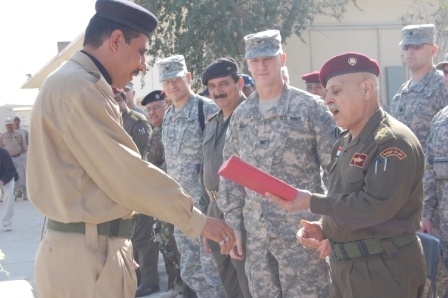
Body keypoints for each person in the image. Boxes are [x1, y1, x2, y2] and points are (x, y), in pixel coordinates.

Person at [26, 1, 235, 298]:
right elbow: (128, 175)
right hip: (86, 257)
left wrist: (114, 242)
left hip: (89, 250)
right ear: (115, 41)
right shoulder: (80, 89)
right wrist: (198, 221)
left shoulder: (73, 83)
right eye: (141, 51)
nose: (143, 65)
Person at [267, 52, 427, 298]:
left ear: (367, 89)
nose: (327, 99)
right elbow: (347, 202)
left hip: (383, 271)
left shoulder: (391, 141)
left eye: (336, 91)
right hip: (349, 268)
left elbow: (374, 207)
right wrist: (325, 228)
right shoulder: (345, 142)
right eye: (327, 92)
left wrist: (311, 201)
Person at [219, 29, 341, 297]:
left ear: (281, 59)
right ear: (247, 64)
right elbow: (230, 176)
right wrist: (234, 225)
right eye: (255, 61)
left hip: (301, 237)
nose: (261, 66)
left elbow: (337, 171)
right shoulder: (242, 115)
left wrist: (331, 226)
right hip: (257, 238)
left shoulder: (309, 108)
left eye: (268, 58)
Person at [157, 54, 225, 298]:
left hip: (205, 209)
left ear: (188, 78)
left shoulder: (206, 109)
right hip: (181, 210)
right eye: (167, 82)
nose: (172, 85)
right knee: (191, 271)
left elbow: (222, 157)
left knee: (213, 271)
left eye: (177, 79)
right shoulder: (169, 116)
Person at [201, 57, 251, 298]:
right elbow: (206, 171)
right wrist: (205, 221)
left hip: (241, 211)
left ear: (238, 83)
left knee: (246, 279)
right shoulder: (212, 122)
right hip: (214, 209)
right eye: (212, 87)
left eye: (223, 84)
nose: (217, 92)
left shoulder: (250, 119)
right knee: (228, 280)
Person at [112, 88, 160, 297]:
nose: (113, 104)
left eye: (117, 99)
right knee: (129, 237)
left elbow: (147, 154)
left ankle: (149, 282)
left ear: (124, 100)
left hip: (140, 187)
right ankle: (137, 279)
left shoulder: (135, 120)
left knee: (143, 238)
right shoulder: (110, 120)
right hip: (123, 189)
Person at [141, 90, 186, 298]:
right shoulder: (155, 132)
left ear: (166, 106)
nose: (152, 113)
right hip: (159, 206)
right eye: (148, 109)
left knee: (177, 252)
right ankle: (175, 290)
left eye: (156, 107)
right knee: (167, 249)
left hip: (172, 204)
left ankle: (182, 291)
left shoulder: (170, 131)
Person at [388, 24, 448, 153]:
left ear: (433, 50)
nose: (410, 51)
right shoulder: (401, 93)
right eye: (406, 47)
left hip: (434, 169)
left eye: (417, 46)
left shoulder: (443, 85)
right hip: (403, 169)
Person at [422, 107, 448, 297]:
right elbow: (430, 171)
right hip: (444, 227)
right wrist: (427, 214)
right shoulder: (440, 119)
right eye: (446, 74)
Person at [0, 118, 27, 200]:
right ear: (5, 126)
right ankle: (14, 193)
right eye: (7, 125)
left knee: (21, 175)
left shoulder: (19, 134)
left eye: (10, 125)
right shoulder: (3, 135)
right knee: (10, 176)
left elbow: (23, 144)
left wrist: (22, 153)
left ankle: (24, 192)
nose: (9, 127)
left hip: (18, 157)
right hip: (8, 159)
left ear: (13, 125)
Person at [0, 146, 17, 231]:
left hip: (6, 176)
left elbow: (11, 169)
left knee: (9, 194)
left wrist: (3, 180)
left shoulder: (3, 152)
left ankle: (7, 222)